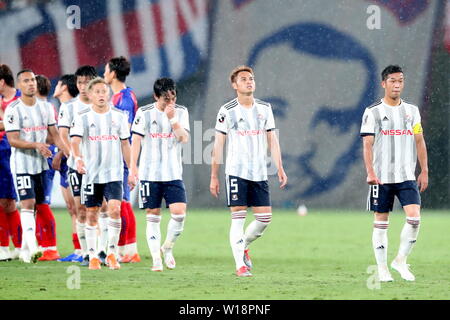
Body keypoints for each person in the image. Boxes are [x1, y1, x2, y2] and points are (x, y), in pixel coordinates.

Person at [210, 65, 288, 277]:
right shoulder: (227, 110)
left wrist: (279, 167)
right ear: (235, 85)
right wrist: (214, 176)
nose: (249, 81)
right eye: (243, 79)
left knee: (264, 219)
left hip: (259, 173)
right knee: (238, 218)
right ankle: (240, 265)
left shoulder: (264, 108)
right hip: (236, 172)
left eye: (251, 78)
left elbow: (272, 139)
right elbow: (218, 145)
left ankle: (242, 245)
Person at [360, 65, 428, 282]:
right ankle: (382, 269)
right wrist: (370, 172)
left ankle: (400, 260)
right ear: (384, 84)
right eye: (392, 81)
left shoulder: (412, 111)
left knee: (415, 219)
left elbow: (419, 140)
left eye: (400, 81)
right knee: (381, 222)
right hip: (381, 177)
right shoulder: (373, 112)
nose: (397, 85)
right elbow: (367, 145)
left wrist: (424, 169)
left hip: (406, 175)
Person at [4, 69, 69, 263]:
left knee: (38, 206)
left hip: (41, 165)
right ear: (19, 86)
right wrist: (37, 145)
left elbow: (55, 135)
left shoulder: (46, 107)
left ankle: (24, 250)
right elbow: (13, 140)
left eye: (32, 80)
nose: (31, 83)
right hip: (22, 164)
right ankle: (33, 248)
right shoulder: (13, 109)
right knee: (27, 203)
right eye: (26, 81)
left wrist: (69, 154)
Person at [128, 78, 190, 272]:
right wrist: (133, 168)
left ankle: (167, 248)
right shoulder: (144, 113)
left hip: (173, 173)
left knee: (179, 215)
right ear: (156, 96)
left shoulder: (181, 111)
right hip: (149, 174)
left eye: (173, 98)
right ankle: (156, 259)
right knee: (152, 216)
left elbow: (184, 138)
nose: (170, 102)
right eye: (165, 99)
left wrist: (172, 118)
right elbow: (136, 141)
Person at [70, 77, 131, 270]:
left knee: (115, 210)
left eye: (104, 91)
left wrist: (132, 170)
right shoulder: (82, 117)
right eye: (97, 92)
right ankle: (93, 254)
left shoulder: (119, 116)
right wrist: (78, 159)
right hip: (91, 174)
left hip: (113, 173)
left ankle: (111, 253)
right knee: (92, 214)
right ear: (89, 95)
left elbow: (125, 143)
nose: (101, 95)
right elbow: (75, 142)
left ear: (109, 94)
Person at [58, 65, 96, 266]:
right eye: (79, 82)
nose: (82, 86)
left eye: (86, 82)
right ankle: (83, 252)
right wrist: (74, 157)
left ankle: (102, 250)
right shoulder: (68, 107)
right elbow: (62, 135)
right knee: (80, 208)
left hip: (98, 167)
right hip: (76, 167)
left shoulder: (101, 105)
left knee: (100, 208)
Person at [104, 56, 140, 263]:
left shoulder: (124, 99)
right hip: (114, 157)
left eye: (106, 70)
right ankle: (126, 248)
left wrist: (130, 164)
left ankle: (129, 249)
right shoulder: (117, 97)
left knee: (122, 202)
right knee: (120, 202)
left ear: (114, 73)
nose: (104, 74)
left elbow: (124, 132)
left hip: (120, 157)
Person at [52, 74, 82, 262]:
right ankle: (78, 249)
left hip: (73, 162)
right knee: (72, 208)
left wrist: (63, 154)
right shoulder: (64, 107)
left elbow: (72, 138)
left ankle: (86, 249)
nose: (56, 86)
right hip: (66, 162)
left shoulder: (73, 107)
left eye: (58, 84)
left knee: (81, 208)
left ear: (64, 88)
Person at [33, 74, 62, 261]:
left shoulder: (45, 108)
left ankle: (51, 247)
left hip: (45, 159)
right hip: (37, 158)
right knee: (36, 204)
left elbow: (53, 135)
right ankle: (42, 244)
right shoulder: (44, 106)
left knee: (42, 203)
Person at [0, 64, 22, 261]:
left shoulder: (20, 100)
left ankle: (21, 246)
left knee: (10, 202)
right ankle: (4, 247)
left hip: (13, 153)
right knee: (4, 202)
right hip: (2, 152)